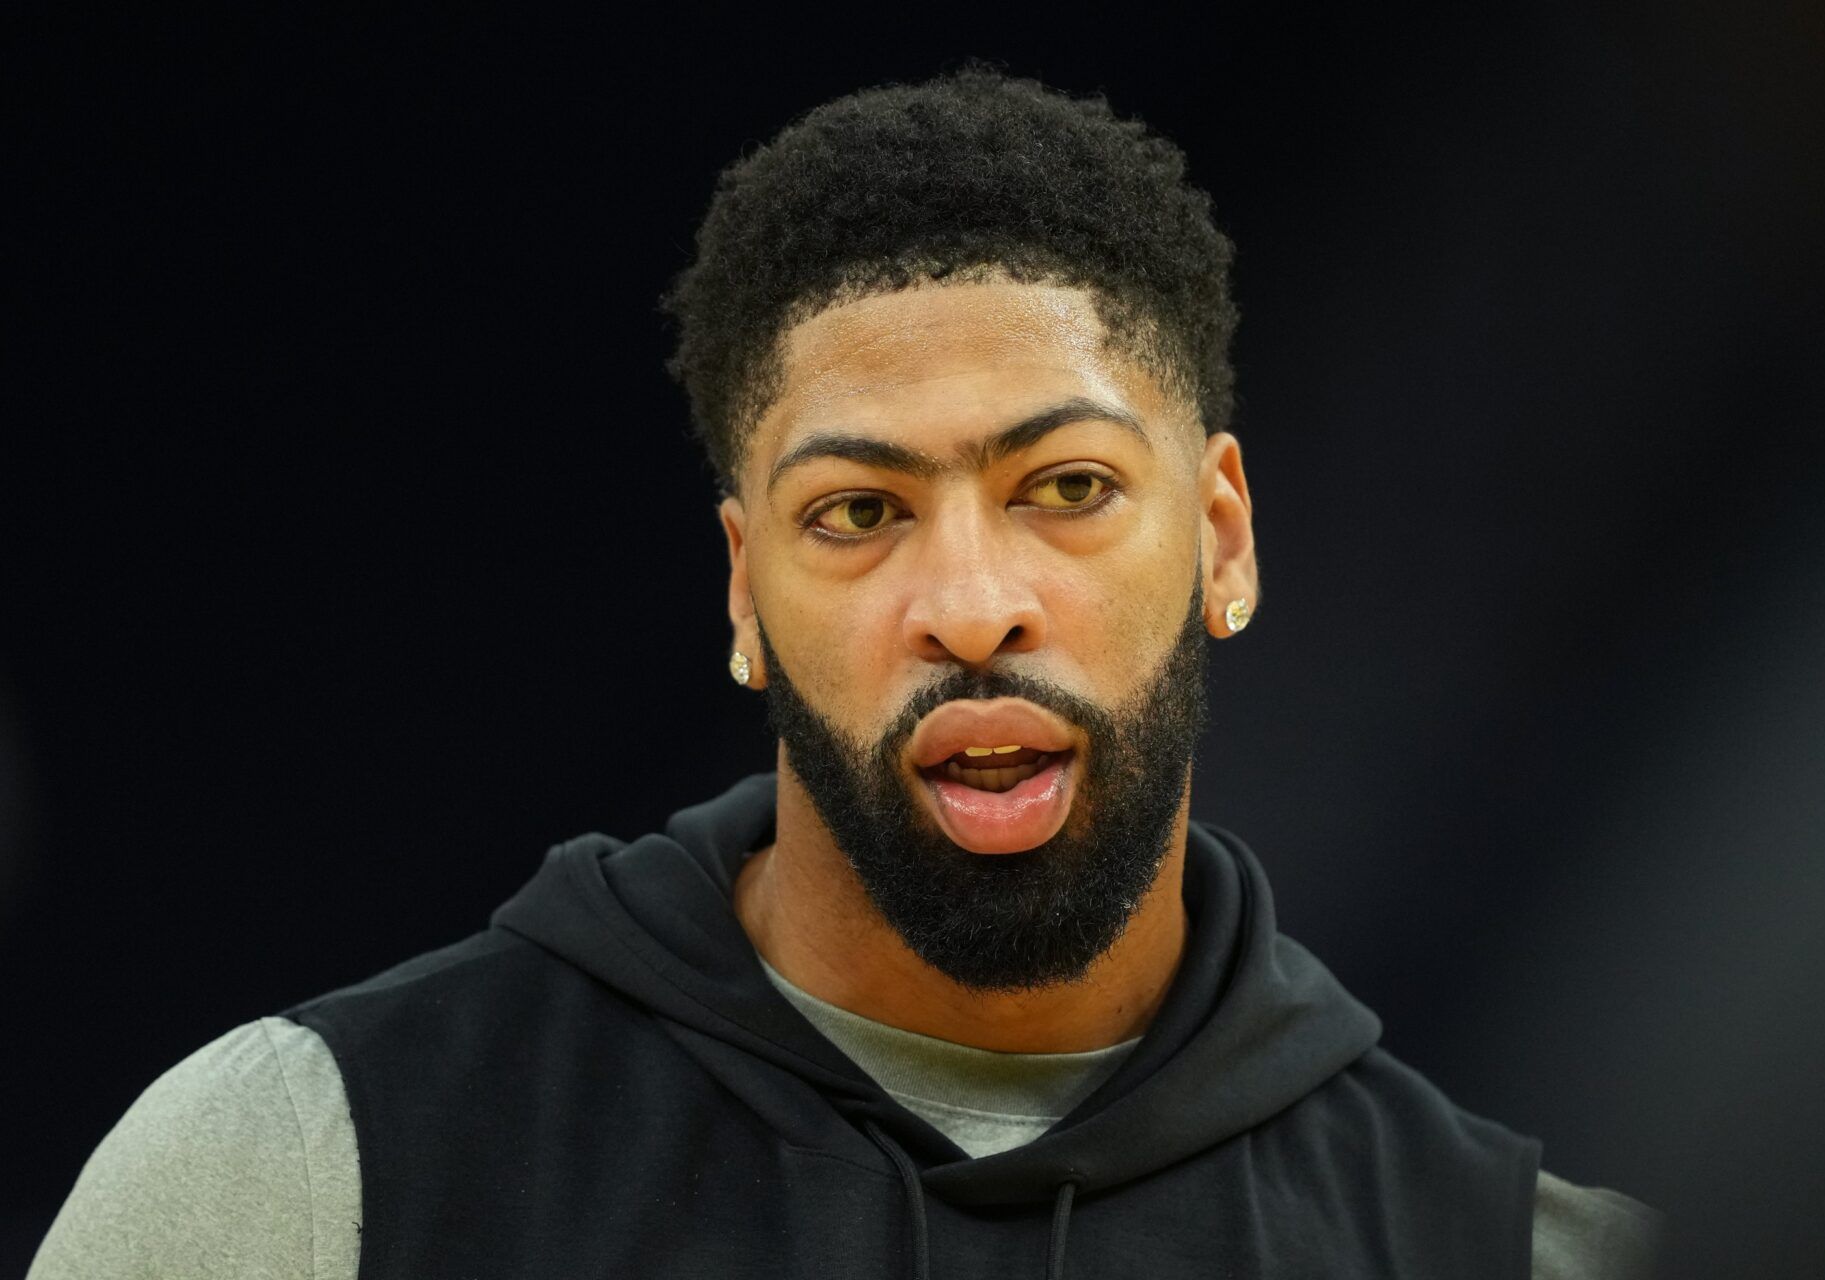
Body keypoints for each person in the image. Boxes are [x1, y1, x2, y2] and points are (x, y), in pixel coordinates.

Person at [31, 67, 1660, 1279]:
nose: (968, 603)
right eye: (860, 513)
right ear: (744, 593)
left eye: (1068, 489)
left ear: (1224, 541)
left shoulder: (1515, 1257)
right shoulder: (315, 1169)